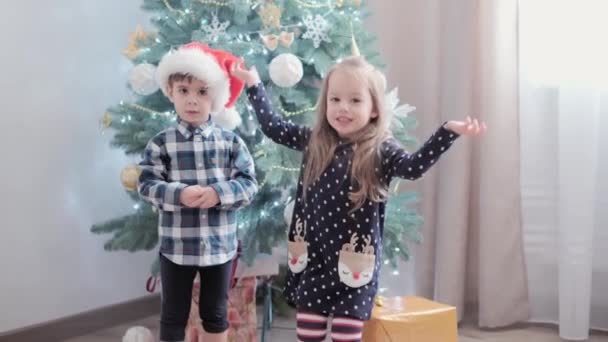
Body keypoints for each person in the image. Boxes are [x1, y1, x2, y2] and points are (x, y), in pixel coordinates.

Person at [232, 56, 486, 342]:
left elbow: (414, 168)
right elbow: (274, 127)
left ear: (375, 109)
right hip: (314, 262)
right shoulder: (316, 141)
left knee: (346, 337)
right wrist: (253, 84)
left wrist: (447, 132)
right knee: (307, 334)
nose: (343, 107)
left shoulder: (382, 150)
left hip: (355, 267)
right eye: (335, 99)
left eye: (355, 100)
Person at [138, 42, 258, 342]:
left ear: (215, 96)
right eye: (184, 91)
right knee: (173, 314)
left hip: (219, 247)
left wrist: (219, 193)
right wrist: (178, 194)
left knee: (215, 313)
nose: (192, 100)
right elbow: (146, 184)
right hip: (177, 247)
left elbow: (249, 183)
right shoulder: (161, 143)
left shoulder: (230, 142)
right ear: (170, 92)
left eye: (202, 92)